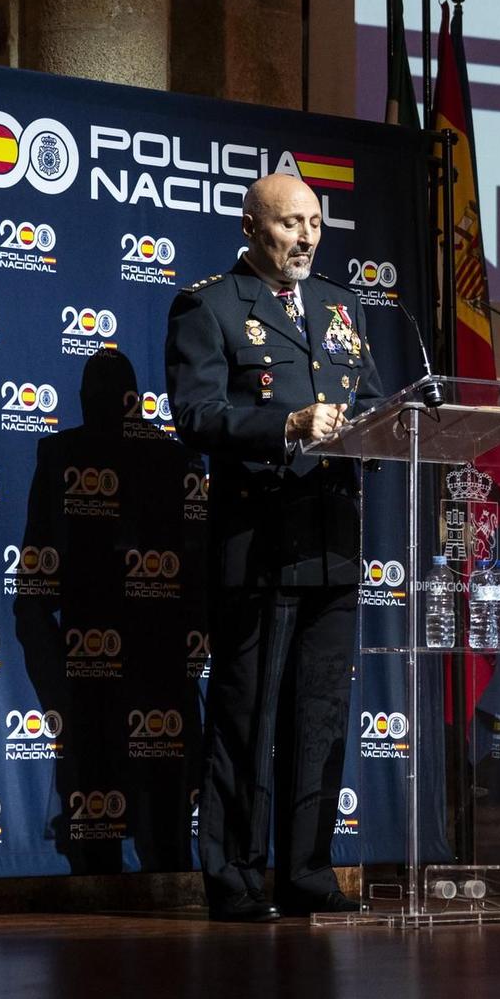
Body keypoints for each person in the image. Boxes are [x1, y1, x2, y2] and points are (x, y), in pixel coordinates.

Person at [165, 173, 386, 921]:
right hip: (259, 541)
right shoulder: (211, 304)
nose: (307, 236)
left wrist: (392, 428)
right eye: (291, 223)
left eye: (315, 222)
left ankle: (307, 871)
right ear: (253, 227)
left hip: (333, 538)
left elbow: (375, 404)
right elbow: (195, 415)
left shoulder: (339, 304)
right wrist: (287, 428)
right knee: (246, 715)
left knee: (319, 716)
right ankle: (233, 875)